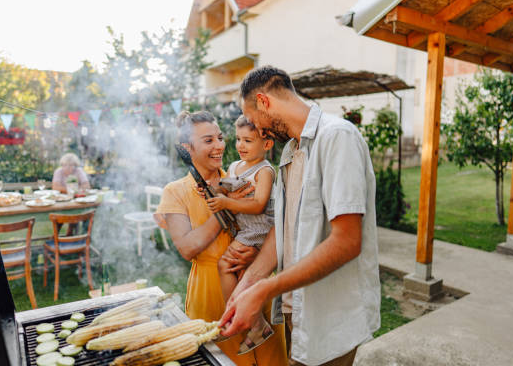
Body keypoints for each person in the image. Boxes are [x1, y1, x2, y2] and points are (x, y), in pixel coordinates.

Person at [219, 65, 381, 366]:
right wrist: (249, 283)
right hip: (298, 311)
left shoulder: (337, 137)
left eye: (256, 122)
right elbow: (284, 230)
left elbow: (347, 241)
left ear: (264, 101)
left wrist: (267, 287)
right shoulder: (291, 151)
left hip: (332, 317)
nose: (260, 133)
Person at [155, 110, 287, 366]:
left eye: (220, 137)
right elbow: (187, 247)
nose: (219, 146)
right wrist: (225, 208)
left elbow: (272, 224)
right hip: (210, 293)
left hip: (256, 283)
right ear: (187, 148)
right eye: (208, 141)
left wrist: (259, 255)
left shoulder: (244, 177)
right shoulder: (175, 192)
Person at [206, 115, 276, 354]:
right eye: (238, 139)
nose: (241, 145)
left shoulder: (264, 171)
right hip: (242, 228)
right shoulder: (235, 166)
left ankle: (238, 318)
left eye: (248, 140)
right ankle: (256, 325)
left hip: (257, 229)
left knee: (225, 265)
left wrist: (226, 202)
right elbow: (224, 188)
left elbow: (258, 205)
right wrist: (212, 190)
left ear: (267, 144)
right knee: (241, 272)